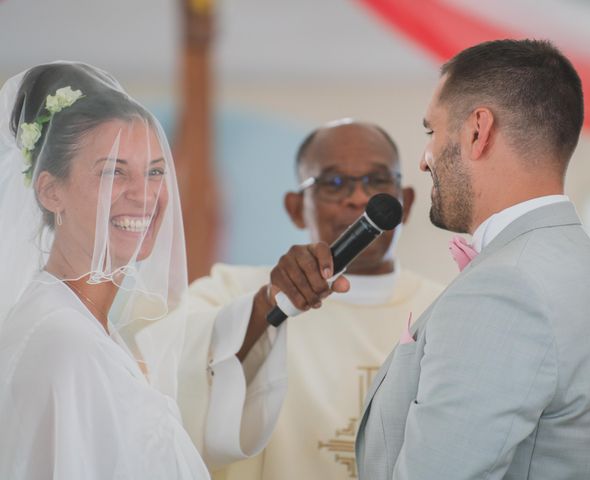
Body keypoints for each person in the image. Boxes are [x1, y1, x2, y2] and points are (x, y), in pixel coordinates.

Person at [355, 39, 590, 479]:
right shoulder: (574, 259)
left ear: (477, 131)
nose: (425, 161)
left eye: (432, 131)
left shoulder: (507, 288)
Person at [177, 119, 443, 479]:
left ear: (405, 203)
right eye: (334, 183)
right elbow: (176, 366)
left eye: (377, 182)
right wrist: (266, 305)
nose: (358, 198)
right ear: (296, 207)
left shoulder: (444, 307)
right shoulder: (233, 291)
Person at [0, 62, 210, 479]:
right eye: (114, 171)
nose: (144, 195)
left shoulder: (85, 329)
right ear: (50, 190)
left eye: (154, 172)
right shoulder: (68, 344)